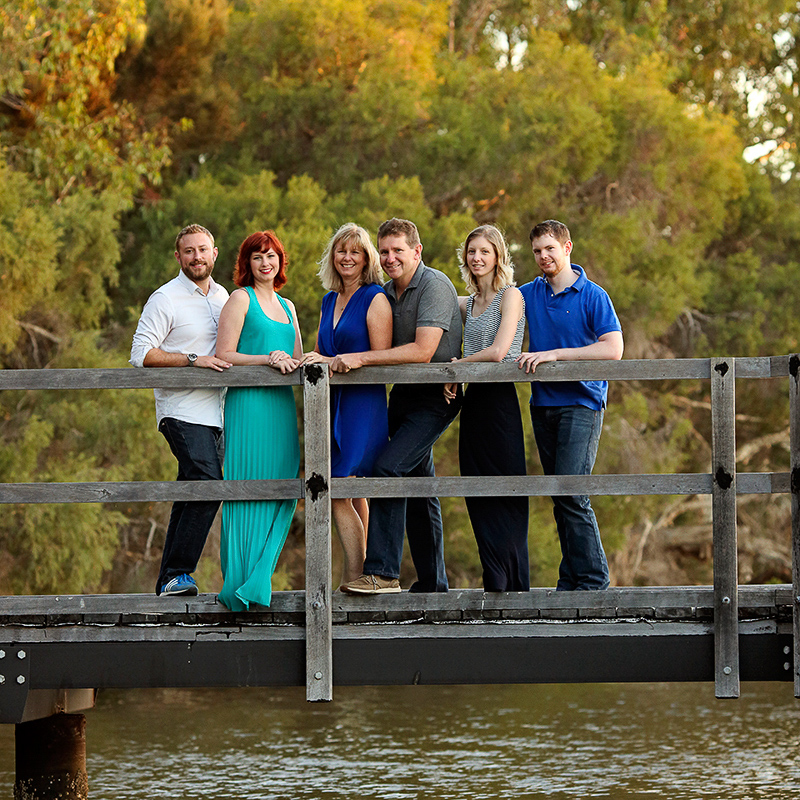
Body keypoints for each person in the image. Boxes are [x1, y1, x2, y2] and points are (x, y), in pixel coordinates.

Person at [334, 218, 462, 595]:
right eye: (385, 251)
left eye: (398, 251)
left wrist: (360, 358)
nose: (390, 258)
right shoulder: (386, 292)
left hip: (437, 398)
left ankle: (383, 573)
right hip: (403, 397)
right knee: (420, 487)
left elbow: (423, 352)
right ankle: (434, 583)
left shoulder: (435, 284)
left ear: (416, 251)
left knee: (387, 468)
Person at [517, 219, 623, 591]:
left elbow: (613, 349)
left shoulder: (594, 295)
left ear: (567, 247)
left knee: (572, 492)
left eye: (550, 248)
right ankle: (571, 578)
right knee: (559, 496)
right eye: (537, 251)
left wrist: (554, 355)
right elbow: (489, 307)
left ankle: (594, 581)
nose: (543, 256)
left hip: (582, 401)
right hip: (543, 404)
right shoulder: (528, 293)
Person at [130, 223, 231, 597]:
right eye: (188, 251)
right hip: (181, 409)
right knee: (208, 483)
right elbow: (141, 354)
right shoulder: (165, 298)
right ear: (178, 257)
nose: (197, 257)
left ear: (214, 253)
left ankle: (170, 578)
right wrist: (192, 360)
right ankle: (179, 571)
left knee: (192, 489)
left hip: (218, 412)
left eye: (202, 250)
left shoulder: (224, 296)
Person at [214, 230, 302, 610]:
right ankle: (237, 586)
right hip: (248, 408)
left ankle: (257, 582)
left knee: (283, 486)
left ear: (281, 261)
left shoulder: (290, 307)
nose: (266, 263)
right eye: (257, 257)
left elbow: (296, 358)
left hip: (281, 409)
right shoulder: (240, 299)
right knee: (245, 491)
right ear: (246, 264)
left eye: (272, 256)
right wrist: (268, 358)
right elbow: (225, 354)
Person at [302, 223, 393, 585]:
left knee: (338, 488)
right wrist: (312, 356)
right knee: (351, 491)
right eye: (341, 250)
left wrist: (338, 360)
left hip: (362, 403)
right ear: (332, 256)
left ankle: (355, 574)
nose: (347, 257)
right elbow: (325, 351)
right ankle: (367, 574)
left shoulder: (375, 298)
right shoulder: (329, 299)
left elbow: (381, 355)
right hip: (332, 401)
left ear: (367, 258)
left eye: (355, 251)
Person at [444, 225, 529, 591]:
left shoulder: (511, 296)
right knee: (476, 492)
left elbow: (498, 352)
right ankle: (493, 581)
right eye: (471, 251)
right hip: (473, 404)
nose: (476, 258)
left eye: (484, 251)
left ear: (498, 257)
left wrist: (454, 368)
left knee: (505, 494)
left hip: (499, 404)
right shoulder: (469, 302)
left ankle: (514, 584)